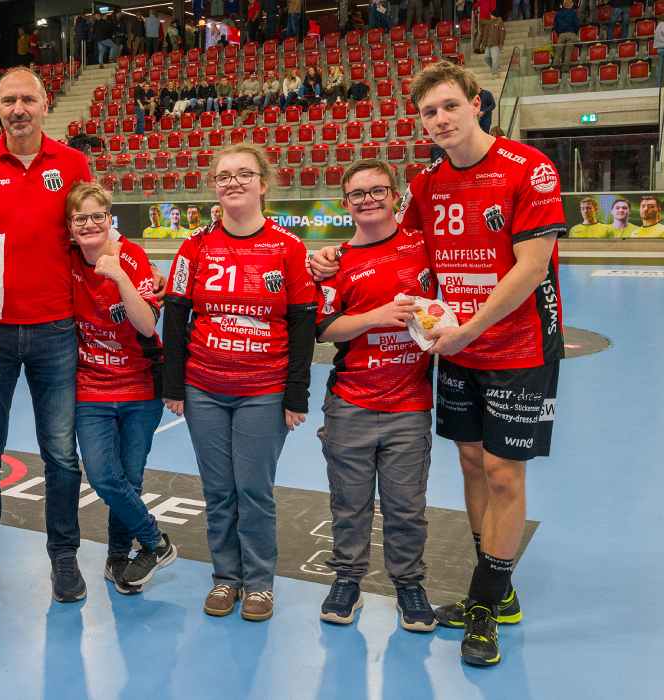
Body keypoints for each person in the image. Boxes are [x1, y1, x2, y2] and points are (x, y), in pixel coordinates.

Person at [309, 62, 565, 668]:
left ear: (477, 104)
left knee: (505, 472)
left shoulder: (530, 168)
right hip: (455, 350)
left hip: (518, 347)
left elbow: (531, 268)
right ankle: (493, 586)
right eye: (429, 112)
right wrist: (330, 257)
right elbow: (399, 247)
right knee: (473, 462)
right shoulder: (424, 184)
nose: (441, 119)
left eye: (450, 106)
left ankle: (484, 604)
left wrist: (471, 327)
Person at [0, 67, 96, 604]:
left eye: (28, 98)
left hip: (56, 328)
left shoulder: (73, 163)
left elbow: (94, 228)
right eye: (9, 100)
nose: (19, 108)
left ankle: (64, 556)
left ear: (46, 103)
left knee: (60, 454)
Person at [162, 143, 315, 623]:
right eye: (224, 175)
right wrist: (174, 385)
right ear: (214, 186)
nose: (233, 182)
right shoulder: (195, 246)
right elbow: (176, 316)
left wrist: (296, 392)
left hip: (263, 389)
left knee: (253, 488)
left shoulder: (288, 248)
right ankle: (226, 578)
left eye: (244, 174)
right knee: (217, 489)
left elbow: (303, 322)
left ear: (263, 185)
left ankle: (260, 583)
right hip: (204, 386)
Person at [313, 159, 437, 632]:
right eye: (357, 193)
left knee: (407, 506)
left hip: (409, 403)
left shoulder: (422, 248)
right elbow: (326, 330)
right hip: (351, 402)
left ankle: (409, 585)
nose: (368, 199)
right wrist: (375, 316)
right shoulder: (336, 262)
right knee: (350, 503)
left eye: (377, 190)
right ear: (346, 204)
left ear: (394, 194)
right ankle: (348, 580)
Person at [64, 183, 175, 593]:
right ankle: (154, 541)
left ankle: (118, 555)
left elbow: (147, 325)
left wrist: (120, 276)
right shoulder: (68, 258)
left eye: (98, 216)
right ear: (70, 227)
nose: (90, 224)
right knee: (103, 475)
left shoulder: (132, 256)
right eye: (80, 218)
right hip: (92, 386)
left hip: (140, 386)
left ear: (109, 219)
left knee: (131, 477)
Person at [552, 0, 580, 65]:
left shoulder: (558, 13)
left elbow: (555, 26)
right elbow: (577, 25)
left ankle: (555, 68)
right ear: (570, 5)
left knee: (558, 53)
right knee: (568, 53)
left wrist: (559, 33)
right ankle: (565, 68)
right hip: (571, 34)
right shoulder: (573, 13)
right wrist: (574, 32)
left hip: (561, 35)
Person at [479, 9, 505, 75]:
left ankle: (494, 73)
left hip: (495, 44)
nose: (490, 15)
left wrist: (501, 44)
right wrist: (483, 44)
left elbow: (502, 33)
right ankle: (496, 67)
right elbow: (485, 34)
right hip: (488, 44)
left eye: (491, 14)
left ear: (494, 15)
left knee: (495, 59)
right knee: (486, 58)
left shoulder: (500, 22)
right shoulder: (489, 22)